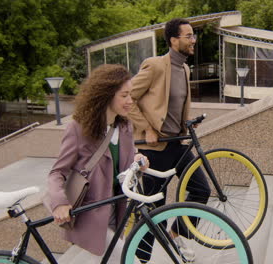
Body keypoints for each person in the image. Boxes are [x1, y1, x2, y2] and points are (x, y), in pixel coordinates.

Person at [46, 64, 147, 264]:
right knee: (129, 260)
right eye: (124, 95)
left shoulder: (125, 126)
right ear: (106, 95)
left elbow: (122, 166)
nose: (130, 101)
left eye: (131, 95)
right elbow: (56, 173)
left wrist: (137, 161)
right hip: (90, 217)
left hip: (116, 214)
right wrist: (59, 203)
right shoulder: (78, 129)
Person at [128, 18, 210, 261]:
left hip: (178, 144)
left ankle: (176, 234)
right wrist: (146, 128)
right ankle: (139, 259)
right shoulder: (155, 66)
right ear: (174, 40)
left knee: (201, 190)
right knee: (154, 210)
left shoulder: (184, 68)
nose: (193, 40)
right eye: (189, 36)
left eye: (193, 35)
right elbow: (127, 99)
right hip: (154, 149)